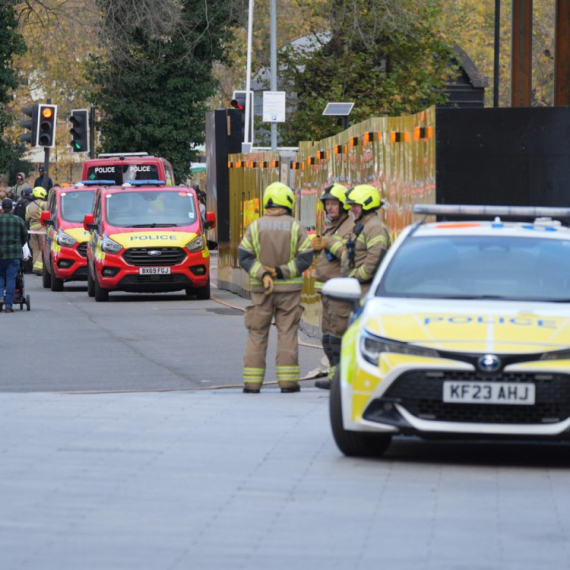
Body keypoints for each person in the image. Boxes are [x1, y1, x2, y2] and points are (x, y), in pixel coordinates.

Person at [238, 181, 314, 393]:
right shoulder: (296, 226)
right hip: (289, 293)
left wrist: (263, 274)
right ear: (288, 202)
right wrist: (281, 272)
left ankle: (252, 384)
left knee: (257, 334)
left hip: (262, 292)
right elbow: (305, 258)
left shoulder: (255, 226)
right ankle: (288, 383)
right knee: (287, 333)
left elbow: (244, 257)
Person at [312, 183, 354, 390]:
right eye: (327, 204)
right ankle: (333, 375)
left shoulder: (349, 227)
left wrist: (329, 242)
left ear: (343, 206)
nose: (329, 208)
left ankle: (340, 378)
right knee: (328, 335)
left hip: (339, 291)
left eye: (333, 204)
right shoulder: (333, 226)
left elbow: (347, 253)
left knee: (338, 333)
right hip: (326, 290)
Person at [341, 184, 390, 297]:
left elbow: (375, 258)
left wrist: (355, 277)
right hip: (361, 288)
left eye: (355, 205)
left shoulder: (374, 227)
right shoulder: (366, 225)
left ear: (367, 204)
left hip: (365, 290)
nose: (352, 209)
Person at [0, 198, 28, 313]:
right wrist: (19, 245)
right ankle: (8, 305)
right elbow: (25, 236)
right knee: (11, 278)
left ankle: (0, 296)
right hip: (14, 254)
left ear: (2, 208)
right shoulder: (18, 220)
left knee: (0, 277)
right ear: (12, 208)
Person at [26, 186, 48, 275]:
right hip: (42, 229)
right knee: (43, 248)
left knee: (35, 249)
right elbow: (48, 215)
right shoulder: (44, 204)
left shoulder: (28, 206)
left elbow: (27, 218)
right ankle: (39, 267)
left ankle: (35, 267)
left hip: (32, 230)